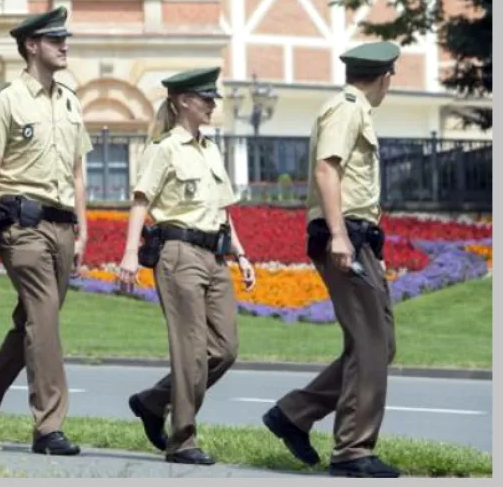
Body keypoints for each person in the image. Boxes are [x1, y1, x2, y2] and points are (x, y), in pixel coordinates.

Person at [0, 6, 91, 456]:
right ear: (32, 46)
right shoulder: (5, 99)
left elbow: (77, 173)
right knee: (44, 322)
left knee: (33, 325)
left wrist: (83, 231)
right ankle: (49, 427)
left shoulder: (70, 101)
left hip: (62, 226)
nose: (64, 45)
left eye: (65, 38)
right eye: (55, 39)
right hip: (22, 227)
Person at [262, 41, 401, 478]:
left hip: (359, 238)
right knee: (370, 343)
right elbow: (327, 168)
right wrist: (340, 236)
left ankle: (294, 414)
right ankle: (352, 451)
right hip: (344, 237)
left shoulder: (354, 108)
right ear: (384, 77)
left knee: (381, 344)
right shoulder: (346, 108)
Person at [115, 67, 256, 465]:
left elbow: (223, 210)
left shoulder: (210, 149)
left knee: (225, 350)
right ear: (182, 102)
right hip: (178, 254)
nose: (212, 104)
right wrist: (129, 255)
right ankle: (183, 440)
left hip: (215, 255)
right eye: (205, 98)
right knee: (190, 351)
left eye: (213, 98)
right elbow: (141, 201)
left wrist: (241, 255)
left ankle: (152, 401)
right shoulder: (164, 148)